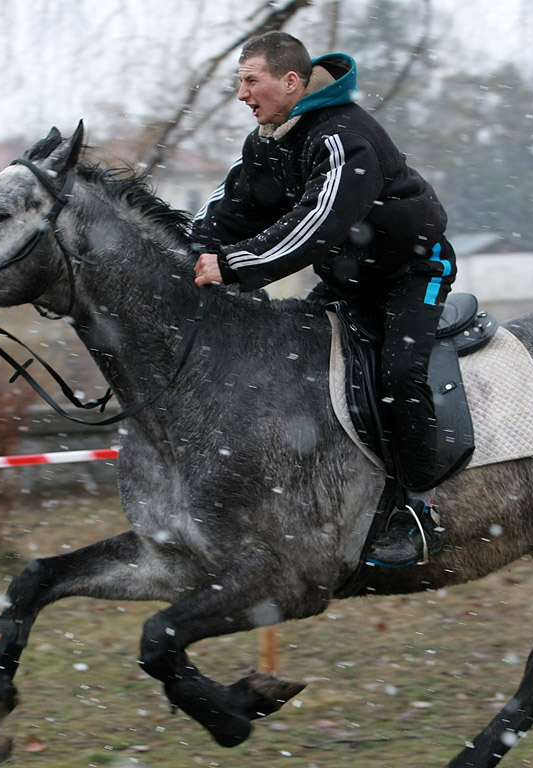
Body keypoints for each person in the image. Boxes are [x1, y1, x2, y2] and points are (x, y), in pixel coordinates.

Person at [191, 31, 455, 567]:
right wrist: (188, 251)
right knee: (291, 363)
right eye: (238, 82)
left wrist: (233, 264)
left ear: (291, 82)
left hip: (413, 272)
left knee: (400, 373)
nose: (241, 94)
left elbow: (317, 226)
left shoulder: (344, 136)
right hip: (348, 281)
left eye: (250, 81)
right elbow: (231, 209)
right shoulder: (267, 140)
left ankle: (418, 511)